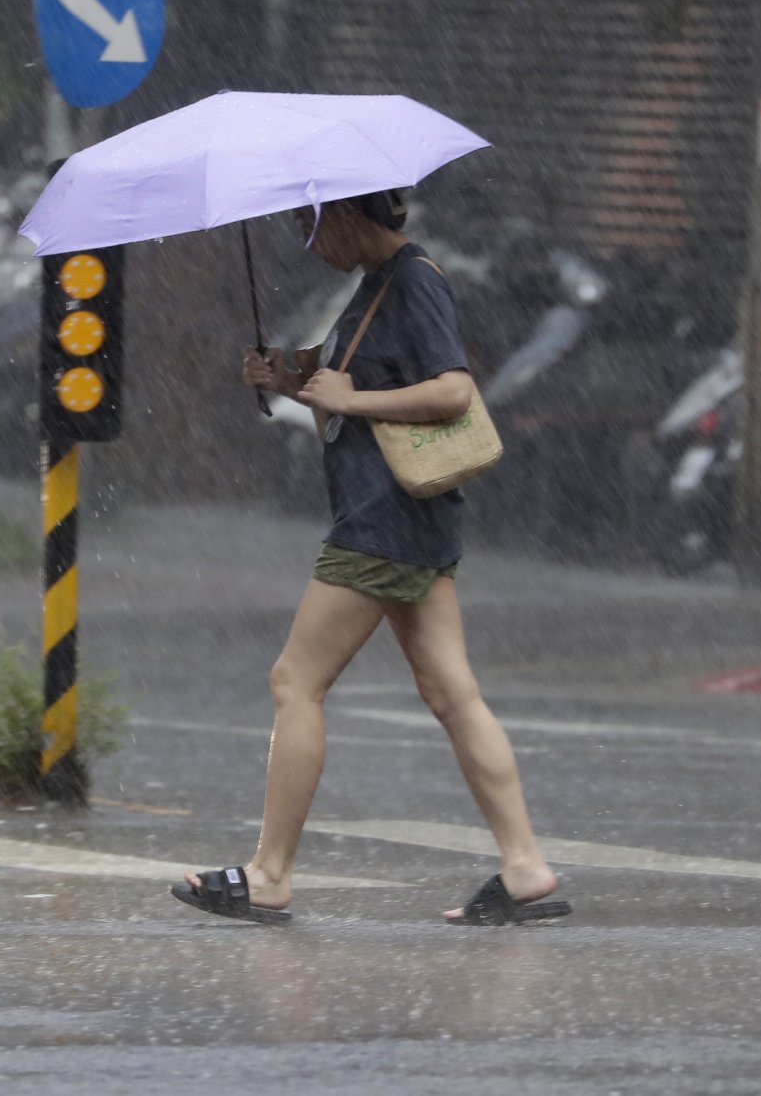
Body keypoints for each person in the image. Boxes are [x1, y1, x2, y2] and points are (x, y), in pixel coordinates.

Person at [171, 189, 569, 927]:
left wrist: (352, 403)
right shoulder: (377, 287)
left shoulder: (416, 281)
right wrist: (284, 377)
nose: (303, 240)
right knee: (452, 693)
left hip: (382, 522)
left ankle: (270, 873)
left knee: (296, 681)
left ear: (348, 213)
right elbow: (347, 379)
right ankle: (524, 867)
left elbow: (452, 391)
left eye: (307, 222)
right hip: (408, 523)